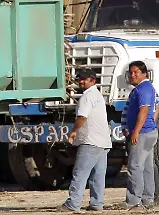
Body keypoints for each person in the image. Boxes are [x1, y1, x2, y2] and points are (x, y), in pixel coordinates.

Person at [59, 68, 111, 212]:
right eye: (79, 79)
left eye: (84, 79)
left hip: (90, 140)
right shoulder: (97, 95)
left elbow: (82, 117)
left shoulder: (87, 96)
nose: (81, 82)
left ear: (93, 81)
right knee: (98, 175)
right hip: (103, 141)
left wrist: (74, 132)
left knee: (80, 173)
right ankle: (97, 203)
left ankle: (73, 203)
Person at [123, 61, 159, 211]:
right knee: (146, 167)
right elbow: (157, 108)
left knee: (135, 166)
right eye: (130, 72)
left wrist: (136, 131)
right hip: (148, 131)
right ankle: (147, 199)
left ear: (144, 73)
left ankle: (134, 201)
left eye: (136, 72)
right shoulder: (147, 88)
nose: (132, 75)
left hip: (143, 133)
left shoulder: (143, 89)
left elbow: (144, 111)